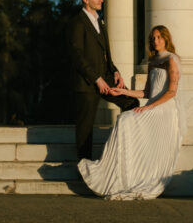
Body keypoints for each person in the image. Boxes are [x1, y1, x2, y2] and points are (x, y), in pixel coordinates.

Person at [78, 24, 185, 200]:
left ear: (166, 38)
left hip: (165, 108)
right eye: (153, 38)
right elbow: (147, 92)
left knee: (127, 119)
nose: (155, 41)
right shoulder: (153, 62)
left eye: (159, 37)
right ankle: (118, 174)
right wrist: (123, 91)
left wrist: (149, 107)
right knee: (124, 119)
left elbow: (171, 92)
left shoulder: (172, 59)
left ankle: (129, 175)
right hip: (152, 105)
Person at [67, 0, 139, 160]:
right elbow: (77, 56)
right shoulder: (76, 22)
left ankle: (127, 153)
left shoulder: (100, 21)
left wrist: (115, 71)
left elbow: (106, 52)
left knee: (132, 103)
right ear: (86, 0)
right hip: (87, 83)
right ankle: (84, 169)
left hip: (107, 78)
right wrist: (96, 78)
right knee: (85, 129)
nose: (102, 0)